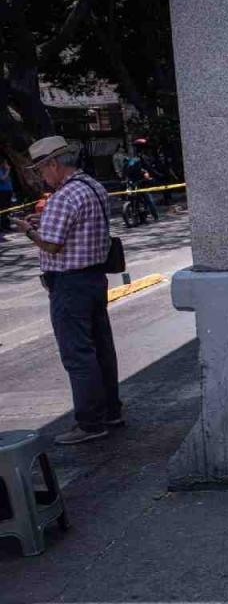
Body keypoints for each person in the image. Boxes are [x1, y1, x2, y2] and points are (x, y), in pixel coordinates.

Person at [11, 136, 122, 445]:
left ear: (53, 164)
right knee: (101, 348)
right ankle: (111, 411)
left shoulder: (63, 196)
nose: (40, 177)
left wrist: (29, 229)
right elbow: (76, 227)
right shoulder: (93, 187)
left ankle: (89, 422)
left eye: (40, 170)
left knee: (78, 354)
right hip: (94, 278)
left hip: (70, 283)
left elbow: (52, 244)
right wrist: (43, 220)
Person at [0, 157, 13, 232]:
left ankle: (7, 225)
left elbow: (8, 181)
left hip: (8, 191)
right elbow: (3, 179)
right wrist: (8, 170)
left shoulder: (5, 171)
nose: (7, 164)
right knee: (3, 209)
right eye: (5, 163)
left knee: (8, 209)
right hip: (2, 192)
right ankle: (3, 226)